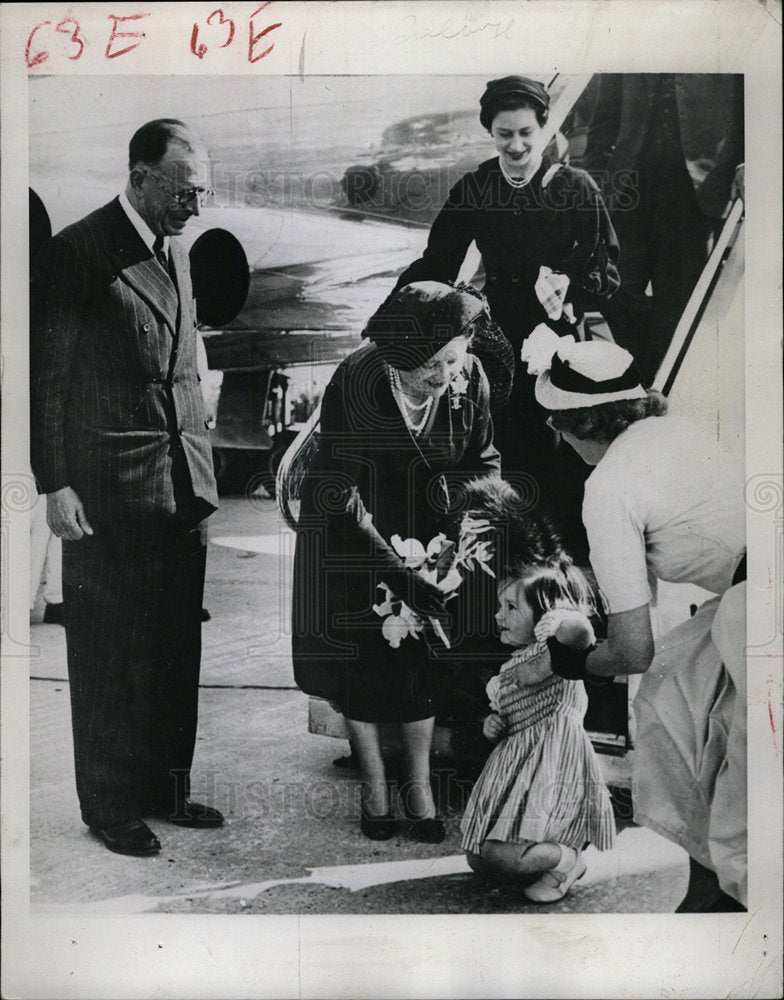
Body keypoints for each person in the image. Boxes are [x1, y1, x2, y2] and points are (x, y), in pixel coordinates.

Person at [30, 119, 223, 857]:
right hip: (109, 485)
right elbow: (45, 380)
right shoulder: (78, 251)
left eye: (201, 193)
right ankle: (110, 804)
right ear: (141, 176)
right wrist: (57, 484)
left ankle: (165, 788)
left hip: (183, 484)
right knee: (111, 651)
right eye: (182, 192)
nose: (193, 208)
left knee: (175, 647)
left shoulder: (174, 250)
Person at [524, 333, 746, 911]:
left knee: (740, 758)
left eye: (557, 423)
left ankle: (727, 896)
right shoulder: (671, 431)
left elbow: (632, 651)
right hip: (749, 586)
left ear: (579, 423)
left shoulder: (607, 487)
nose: (557, 435)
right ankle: (703, 877)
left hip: (762, 599)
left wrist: (567, 661)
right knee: (670, 693)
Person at [291, 281, 502, 842]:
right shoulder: (358, 377)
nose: (444, 376)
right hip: (354, 532)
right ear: (398, 357)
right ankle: (375, 786)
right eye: (430, 366)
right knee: (360, 656)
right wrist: (394, 570)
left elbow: (483, 462)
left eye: (453, 361)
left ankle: (420, 786)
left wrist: (456, 539)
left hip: (432, 532)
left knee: (423, 659)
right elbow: (342, 491)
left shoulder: (469, 378)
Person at [394, 75, 620, 559]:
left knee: (559, 454)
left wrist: (568, 284)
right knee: (503, 451)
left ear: (543, 128)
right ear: (490, 133)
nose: (516, 145)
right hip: (497, 338)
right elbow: (437, 264)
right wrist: (392, 316)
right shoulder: (477, 188)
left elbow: (607, 273)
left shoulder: (575, 188)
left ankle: (565, 569)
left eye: (525, 133)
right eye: (504, 134)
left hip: (557, 337)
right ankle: (508, 568)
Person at [460, 525, 616, 903]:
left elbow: (578, 628)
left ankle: (567, 861)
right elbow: (505, 710)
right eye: (500, 606)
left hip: (551, 770)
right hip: (515, 769)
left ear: (546, 614)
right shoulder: (514, 665)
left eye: (511, 607)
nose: (499, 616)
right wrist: (490, 725)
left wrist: (549, 654)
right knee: (478, 857)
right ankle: (535, 860)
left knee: (505, 857)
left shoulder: (557, 651)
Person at [583, 74, 745, 384]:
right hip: (628, 187)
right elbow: (603, 121)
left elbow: (752, 99)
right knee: (615, 288)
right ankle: (647, 380)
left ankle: (660, 387)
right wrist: (593, 186)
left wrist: (744, 162)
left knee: (680, 299)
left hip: (695, 189)